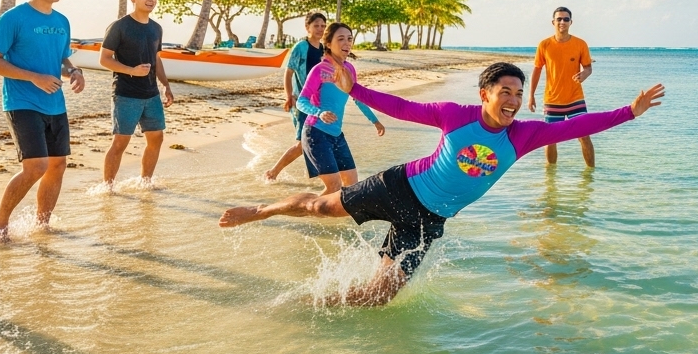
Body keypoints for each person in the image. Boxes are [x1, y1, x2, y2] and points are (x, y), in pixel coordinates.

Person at [218, 62, 665, 306]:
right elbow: (400, 107)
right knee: (321, 209)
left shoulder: (526, 135)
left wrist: (629, 111)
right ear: (485, 94)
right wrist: (355, 90)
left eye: (517, 92)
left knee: (380, 298)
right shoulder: (456, 116)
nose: (512, 100)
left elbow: (576, 125)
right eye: (504, 91)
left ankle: (314, 305)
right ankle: (260, 211)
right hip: (399, 187)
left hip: (431, 217)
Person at [0, 0, 85, 241]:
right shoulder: (14, 18)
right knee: (36, 166)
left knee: (58, 165)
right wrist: (34, 77)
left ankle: (42, 225)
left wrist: (74, 71)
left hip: (55, 103)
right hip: (22, 102)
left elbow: (61, 58)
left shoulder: (62, 21)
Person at [98, 0, 173, 190]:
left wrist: (166, 85)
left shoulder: (156, 28)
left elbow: (156, 59)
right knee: (120, 142)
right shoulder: (119, 26)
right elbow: (104, 59)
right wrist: (131, 71)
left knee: (156, 138)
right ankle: (108, 187)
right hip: (126, 94)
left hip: (151, 94)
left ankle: (146, 181)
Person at [294, 22, 384, 194]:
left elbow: (358, 99)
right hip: (316, 133)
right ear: (328, 43)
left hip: (336, 135)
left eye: (350, 39)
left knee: (351, 186)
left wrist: (375, 121)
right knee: (333, 187)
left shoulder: (349, 69)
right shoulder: (319, 70)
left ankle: (326, 217)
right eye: (341, 39)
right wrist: (319, 113)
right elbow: (301, 101)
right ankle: (306, 212)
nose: (347, 43)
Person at [528, 6, 596, 166]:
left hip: (575, 99)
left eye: (566, 19)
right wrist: (531, 96)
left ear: (571, 22)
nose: (562, 22)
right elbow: (537, 70)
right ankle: (551, 179)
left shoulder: (580, 44)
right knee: (550, 139)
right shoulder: (544, 45)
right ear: (553, 22)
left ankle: (591, 175)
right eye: (559, 19)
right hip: (552, 99)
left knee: (584, 135)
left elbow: (588, 67)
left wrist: (585, 74)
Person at [264, 12, 327, 181]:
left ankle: (313, 176)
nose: (320, 29)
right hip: (302, 102)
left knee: (314, 139)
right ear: (308, 27)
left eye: (323, 26)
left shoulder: (323, 48)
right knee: (302, 143)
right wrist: (289, 96)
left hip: (317, 104)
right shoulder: (301, 47)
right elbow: (288, 72)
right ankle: (273, 172)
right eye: (316, 25)